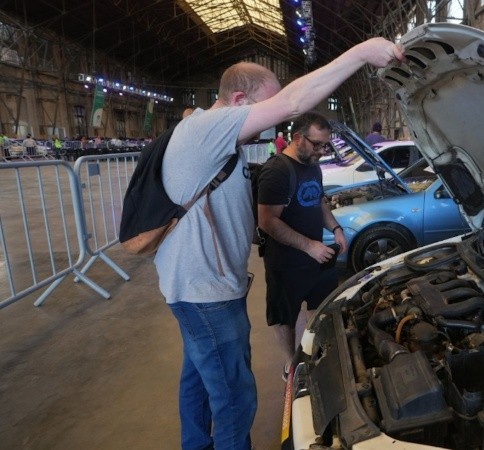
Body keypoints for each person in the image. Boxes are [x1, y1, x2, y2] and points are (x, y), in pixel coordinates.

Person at [153, 37, 403, 450]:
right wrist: (362, 53)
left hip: (196, 288)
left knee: (197, 380)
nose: (270, 124)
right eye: (262, 108)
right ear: (237, 100)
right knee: (234, 396)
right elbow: (291, 104)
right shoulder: (206, 129)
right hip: (205, 293)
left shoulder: (214, 141)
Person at [257, 113, 347, 381]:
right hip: (286, 263)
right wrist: (309, 246)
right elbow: (267, 222)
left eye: (325, 145)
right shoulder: (276, 171)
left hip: (316, 257)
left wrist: (336, 228)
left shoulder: (314, 166)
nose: (322, 150)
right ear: (297, 138)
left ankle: (315, 352)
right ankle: (291, 364)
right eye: (317, 144)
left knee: (322, 309)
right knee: (285, 315)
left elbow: (318, 202)